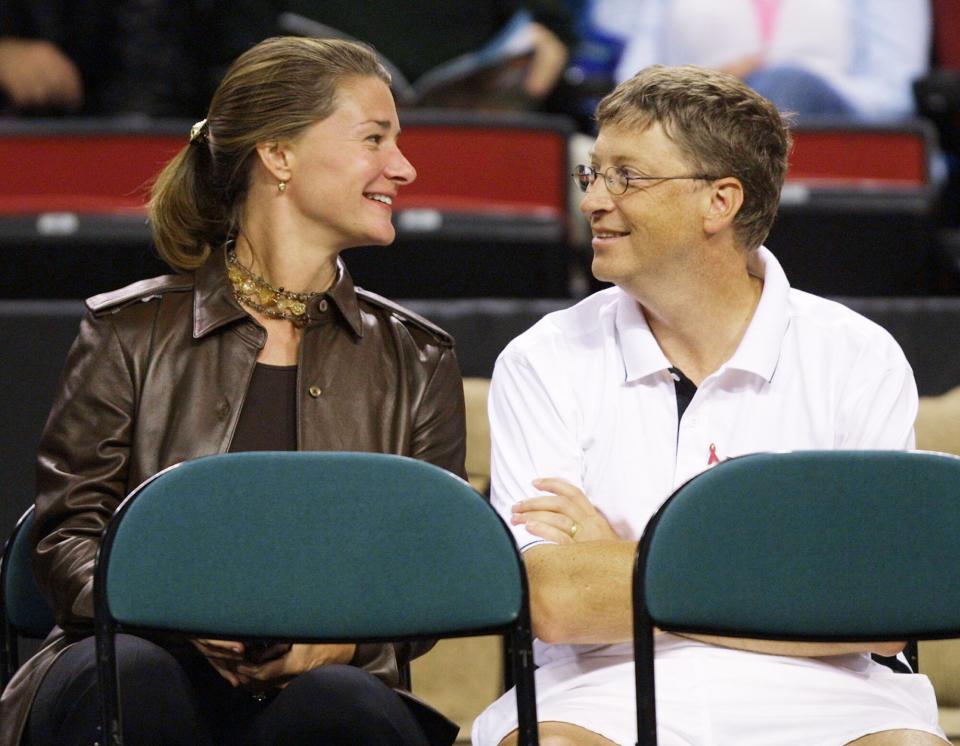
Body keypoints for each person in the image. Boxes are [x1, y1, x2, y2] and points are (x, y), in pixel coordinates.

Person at [0, 36, 466, 746]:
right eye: (375, 138)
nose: (402, 167)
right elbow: (66, 540)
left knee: (342, 702)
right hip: (135, 653)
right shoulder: (129, 331)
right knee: (136, 680)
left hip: (324, 681)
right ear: (278, 156)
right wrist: (178, 615)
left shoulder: (417, 358)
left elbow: (426, 571)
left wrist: (335, 643)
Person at [473, 65, 946, 745]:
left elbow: (878, 606)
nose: (594, 200)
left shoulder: (857, 357)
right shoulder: (542, 359)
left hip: (835, 696)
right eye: (592, 173)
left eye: (626, 177)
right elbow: (559, 601)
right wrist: (783, 585)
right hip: (598, 690)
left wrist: (625, 566)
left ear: (719, 201)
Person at [598, 0, 930, 121]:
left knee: (784, 87)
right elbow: (632, 82)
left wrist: (766, 87)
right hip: (692, 120)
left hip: (831, 130)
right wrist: (714, 89)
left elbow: (896, 95)